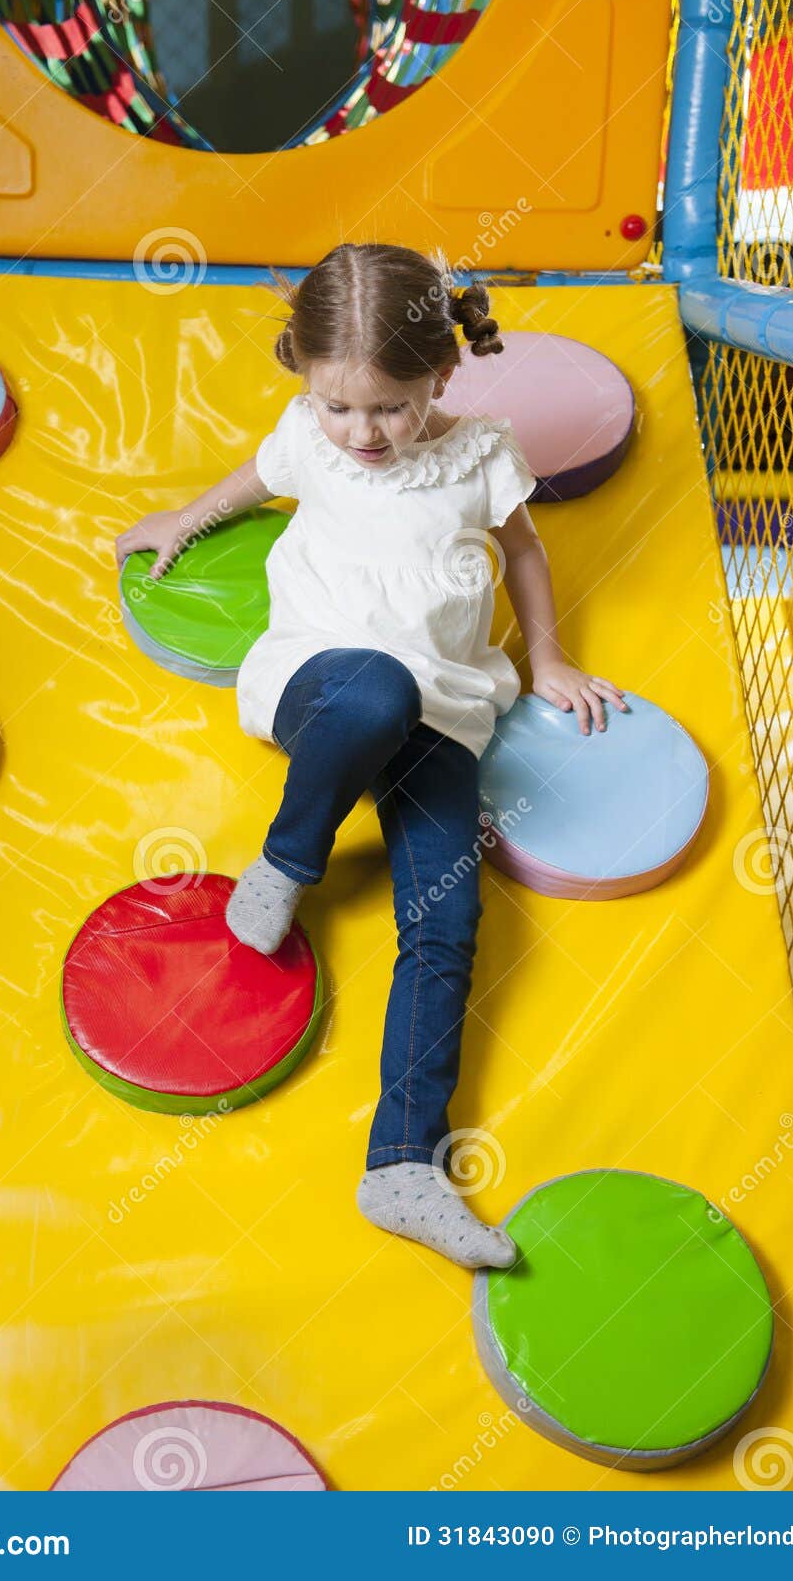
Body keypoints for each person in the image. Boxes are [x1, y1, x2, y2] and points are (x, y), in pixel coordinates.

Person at [116, 243, 628, 1268]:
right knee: (375, 687)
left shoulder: (479, 453)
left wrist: (550, 658)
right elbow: (252, 478)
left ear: (439, 375)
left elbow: (522, 548)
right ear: (306, 384)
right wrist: (186, 518)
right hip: (325, 683)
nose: (360, 435)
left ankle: (401, 1162)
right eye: (337, 408)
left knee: (446, 916)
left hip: (443, 704)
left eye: (387, 409)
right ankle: (288, 860)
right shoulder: (311, 435)